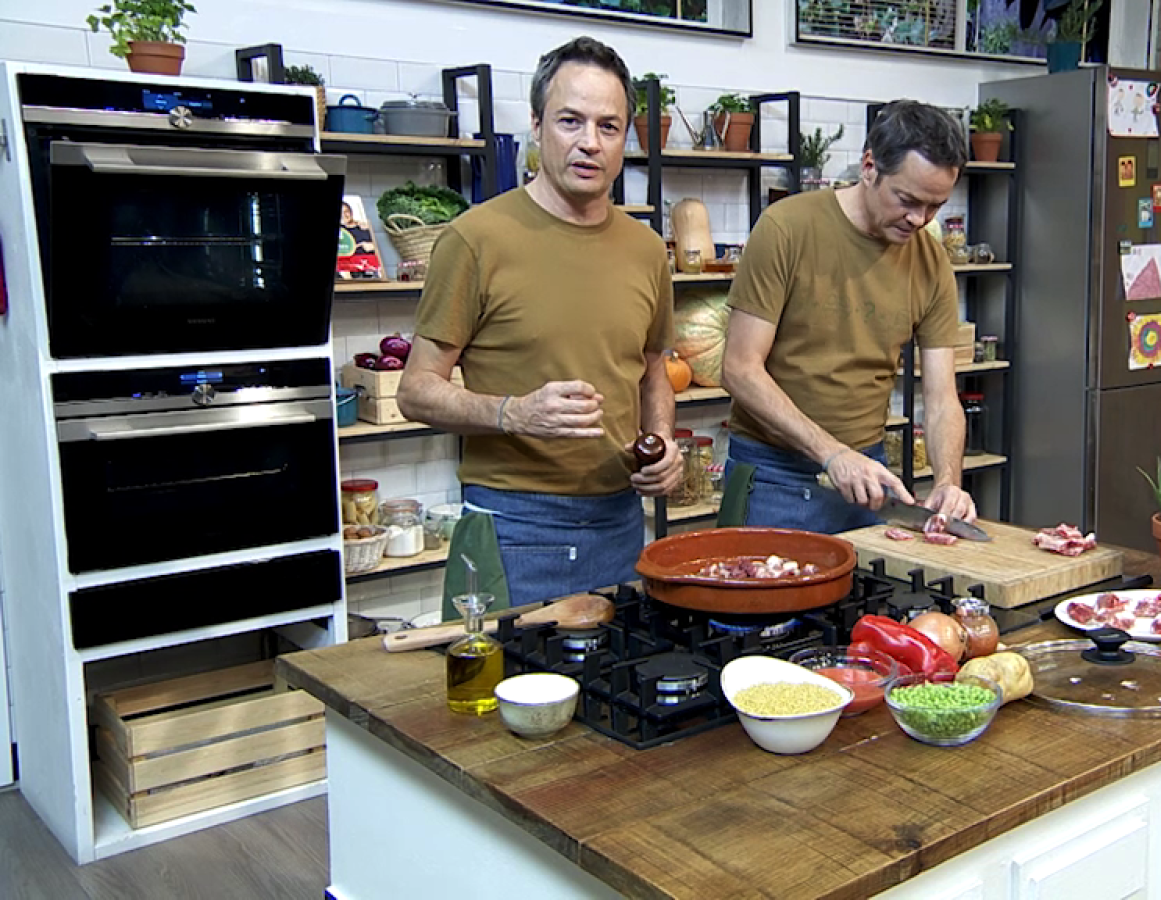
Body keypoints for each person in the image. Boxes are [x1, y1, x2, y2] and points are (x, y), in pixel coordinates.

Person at [397, 36, 681, 605]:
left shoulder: (647, 249)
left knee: (616, 688)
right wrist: (513, 412)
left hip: (619, 520)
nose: (589, 144)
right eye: (570, 121)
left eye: (608, 126)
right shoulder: (476, 239)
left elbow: (653, 372)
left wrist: (663, 445)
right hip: (514, 526)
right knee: (514, 690)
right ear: (536, 125)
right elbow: (415, 391)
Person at [721, 99, 976, 534]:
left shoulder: (931, 262)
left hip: (867, 479)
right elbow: (740, 369)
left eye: (935, 206)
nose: (919, 219)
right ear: (870, 166)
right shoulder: (787, 228)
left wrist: (949, 480)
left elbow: (941, 399)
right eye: (907, 200)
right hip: (771, 478)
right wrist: (831, 453)